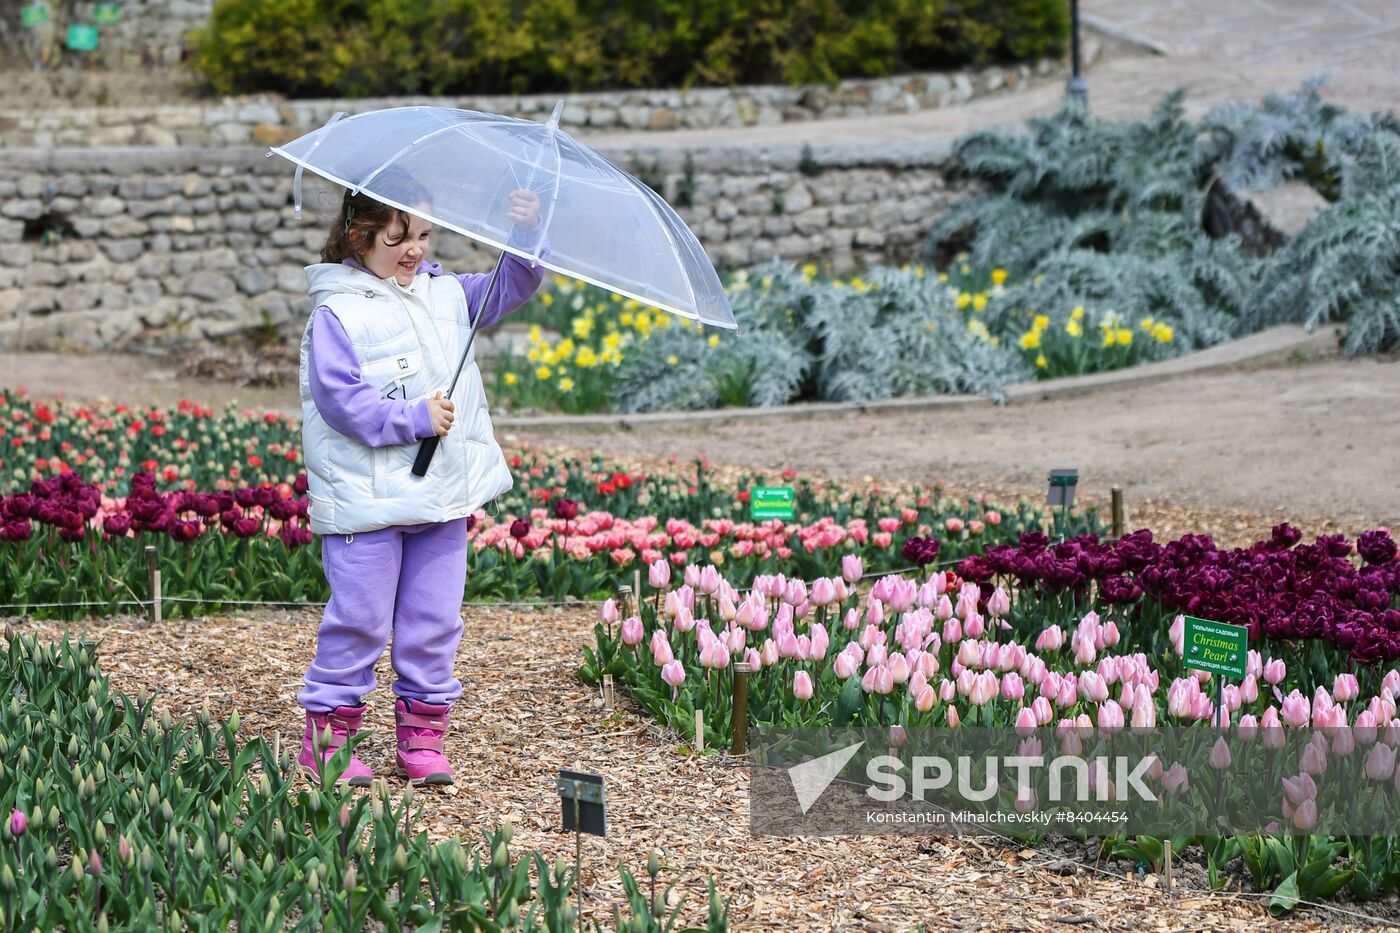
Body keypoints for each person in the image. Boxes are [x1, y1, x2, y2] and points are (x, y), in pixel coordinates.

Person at [296, 181, 545, 786]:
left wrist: (526, 235)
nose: (413, 249)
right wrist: (412, 418)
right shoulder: (338, 311)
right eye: (397, 236)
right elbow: (339, 401)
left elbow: (509, 287)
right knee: (359, 620)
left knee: (433, 623)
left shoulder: (446, 294)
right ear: (360, 235)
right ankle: (327, 741)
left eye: (424, 235)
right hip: (368, 505)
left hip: (439, 499)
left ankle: (423, 737)